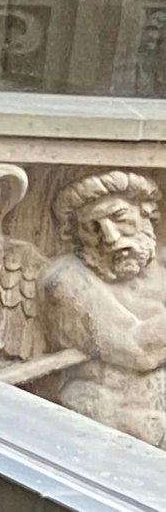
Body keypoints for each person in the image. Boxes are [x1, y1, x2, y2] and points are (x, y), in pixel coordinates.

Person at [41, 170, 166, 446]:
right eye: (92, 227)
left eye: (119, 218)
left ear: (146, 213)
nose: (109, 237)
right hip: (107, 435)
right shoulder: (67, 280)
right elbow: (137, 349)